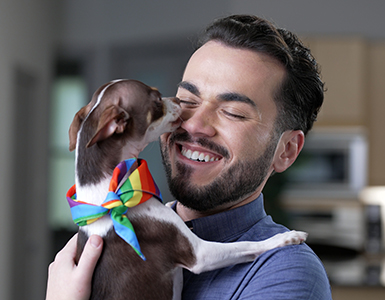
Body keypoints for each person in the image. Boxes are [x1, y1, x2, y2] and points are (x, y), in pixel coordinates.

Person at [46, 15, 332, 299]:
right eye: (186, 101)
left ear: (287, 150)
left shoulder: (286, 270)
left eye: (233, 112)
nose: (193, 124)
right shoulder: (118, 226)